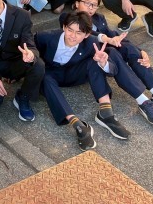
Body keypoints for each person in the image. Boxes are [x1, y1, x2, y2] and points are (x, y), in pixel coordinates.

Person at [72, 0, 153, 131]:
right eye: (87, 3)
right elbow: (89, 34)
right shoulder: (69, 19)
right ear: (77, 3)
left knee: (128, 48)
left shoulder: (99, 18)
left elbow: (113, 35)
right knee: (113, 51)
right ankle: (143, 101)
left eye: (94, 5)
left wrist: (140, 51)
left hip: (105, 58)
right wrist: (108, 39)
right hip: (86, 62)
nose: (90, 8)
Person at [36, 11, 121, 151]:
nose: (73, 36)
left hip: (73, 74)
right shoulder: (45, 36)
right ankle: (77, 124)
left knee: (94, 61)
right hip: (50, 74)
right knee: (44, 77)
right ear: (64, 27)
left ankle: (106, 112)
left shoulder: (92, 42)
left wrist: (103, 62)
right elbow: (30, 53)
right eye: (70, 30)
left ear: (86, 34)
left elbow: (113, 71)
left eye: (79, 33)